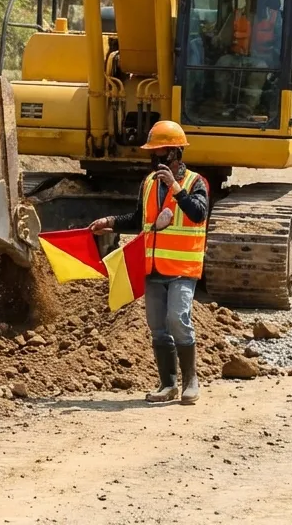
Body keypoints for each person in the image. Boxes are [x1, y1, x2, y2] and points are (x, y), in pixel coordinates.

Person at [89, 120, 209, 406]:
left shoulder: (195, 183)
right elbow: (139, 220)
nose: (156, 159)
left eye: (162, 153)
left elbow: (198, 214)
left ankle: (191, 381)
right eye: (153, 153)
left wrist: (176, 189)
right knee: (158, 327)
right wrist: (111, 222)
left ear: (176, 153)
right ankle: (168, 384)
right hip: (153, 268)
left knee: (177, 319)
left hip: (182, 270)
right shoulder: (148, 184)